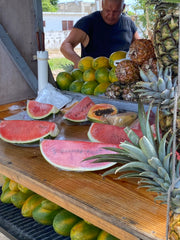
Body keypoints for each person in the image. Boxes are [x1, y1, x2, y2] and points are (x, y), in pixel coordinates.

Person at [60, 0, 140, 68]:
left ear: (123, 8)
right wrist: (77, 61)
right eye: (107, 10)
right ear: (102, 4)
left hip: (124, 77)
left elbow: (139, 47)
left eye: (116, 11)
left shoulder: (129, 23)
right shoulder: (87, 22)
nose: (111, 15)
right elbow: (66, 45)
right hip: (94, 78)